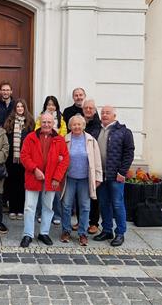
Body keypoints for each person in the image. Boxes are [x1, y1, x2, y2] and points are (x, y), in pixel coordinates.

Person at [19, 112, 70, 248]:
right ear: (40, 123)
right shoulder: (30, 137)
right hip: (33, 177)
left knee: (48, 207)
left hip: (52, 180)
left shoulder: (59, 139)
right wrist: (34, 169)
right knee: (30, 207)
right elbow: (24, 156)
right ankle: (28, 234)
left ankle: (44, 233)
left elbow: (64, 160)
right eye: (44, 122)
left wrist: (56, 178)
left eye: (49, 122)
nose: (46, 124)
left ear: (53, 123)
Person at [93, 105, 135, 247]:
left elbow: (129, 153)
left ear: (114, 116)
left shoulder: (124, 132)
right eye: (102, 113)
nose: (104, 115)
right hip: (101, 174)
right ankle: (106, 230)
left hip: (116, 175)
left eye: (108, 113)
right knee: (104, 203)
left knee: (117, 203)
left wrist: (122, 172)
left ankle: (120, 233)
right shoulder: (96, 130)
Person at [61, 115, 103, 246]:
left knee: (85, 207)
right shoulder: (65, 140)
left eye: (79, 124)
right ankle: (66, 230)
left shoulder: (91, 140)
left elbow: (97, 160)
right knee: (66, 206)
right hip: (69, 178)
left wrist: (98, 177)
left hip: (85, 179)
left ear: (83, 126)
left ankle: (82, 233)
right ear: (70, 126)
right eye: (74, 125)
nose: (77, 127)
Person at [34, 96, 67, 225]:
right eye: (49, 104)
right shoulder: (40, 118)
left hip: (56, 156)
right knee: (41, 189)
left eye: (53, 104)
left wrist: (55, 136)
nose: (51, 107)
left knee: (55, 189)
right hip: (43, 156)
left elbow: (62, 134)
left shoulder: (61, 118)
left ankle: (57, 214)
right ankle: (41, 213)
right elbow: (38, 131)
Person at [3, 99, 35, 220]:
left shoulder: (30, 122)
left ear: (25, 108)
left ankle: (20, 209)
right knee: (11, 183)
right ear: (15, 108)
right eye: (18, 106)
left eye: (22, 106)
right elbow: (5, 139)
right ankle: (12, 209)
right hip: (11, 158)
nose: (20, 108)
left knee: (22, 184)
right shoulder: (9, 121)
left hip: (24, 158)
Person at [82, 99, 102, 234]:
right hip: (80, 164)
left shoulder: (97, 125)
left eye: (91, 108)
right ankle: (81, 221)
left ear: (94, 110)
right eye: (86, 108)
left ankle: (94, 223)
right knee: (81, 195)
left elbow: (89, 139)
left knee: (94, 195)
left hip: (93, 162)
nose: (88, 110)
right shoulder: (81, 121)